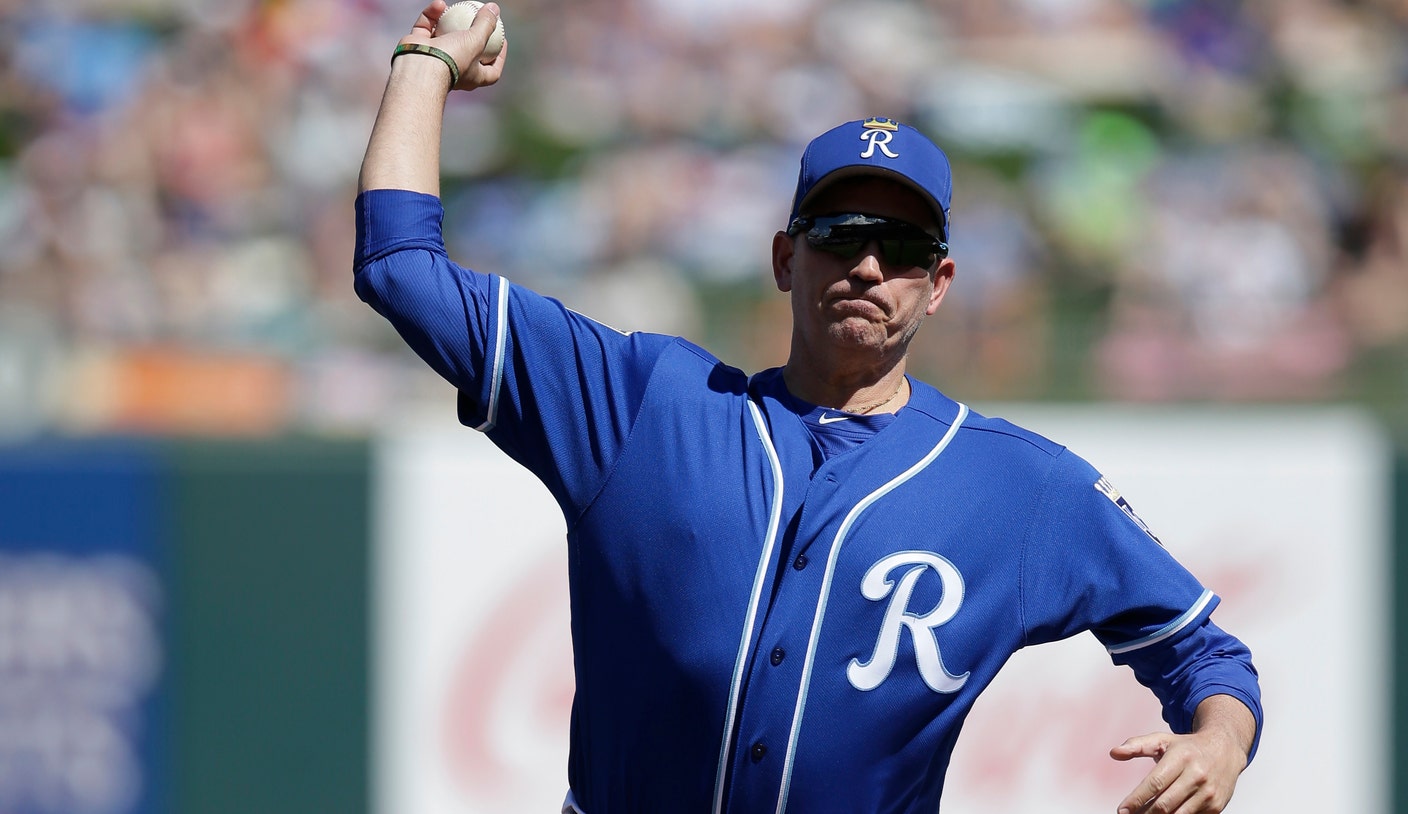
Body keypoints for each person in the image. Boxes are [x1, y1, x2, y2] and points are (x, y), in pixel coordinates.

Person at [354, 3, 1263, 812]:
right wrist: (423, 66)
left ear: (939, 282)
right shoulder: (643, 406)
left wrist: (1219, 742)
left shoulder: (1019, 488)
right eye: (840, 237)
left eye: (901, 245)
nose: (868, 266)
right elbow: (401, 270)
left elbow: (1207, 655)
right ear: (787, 259)